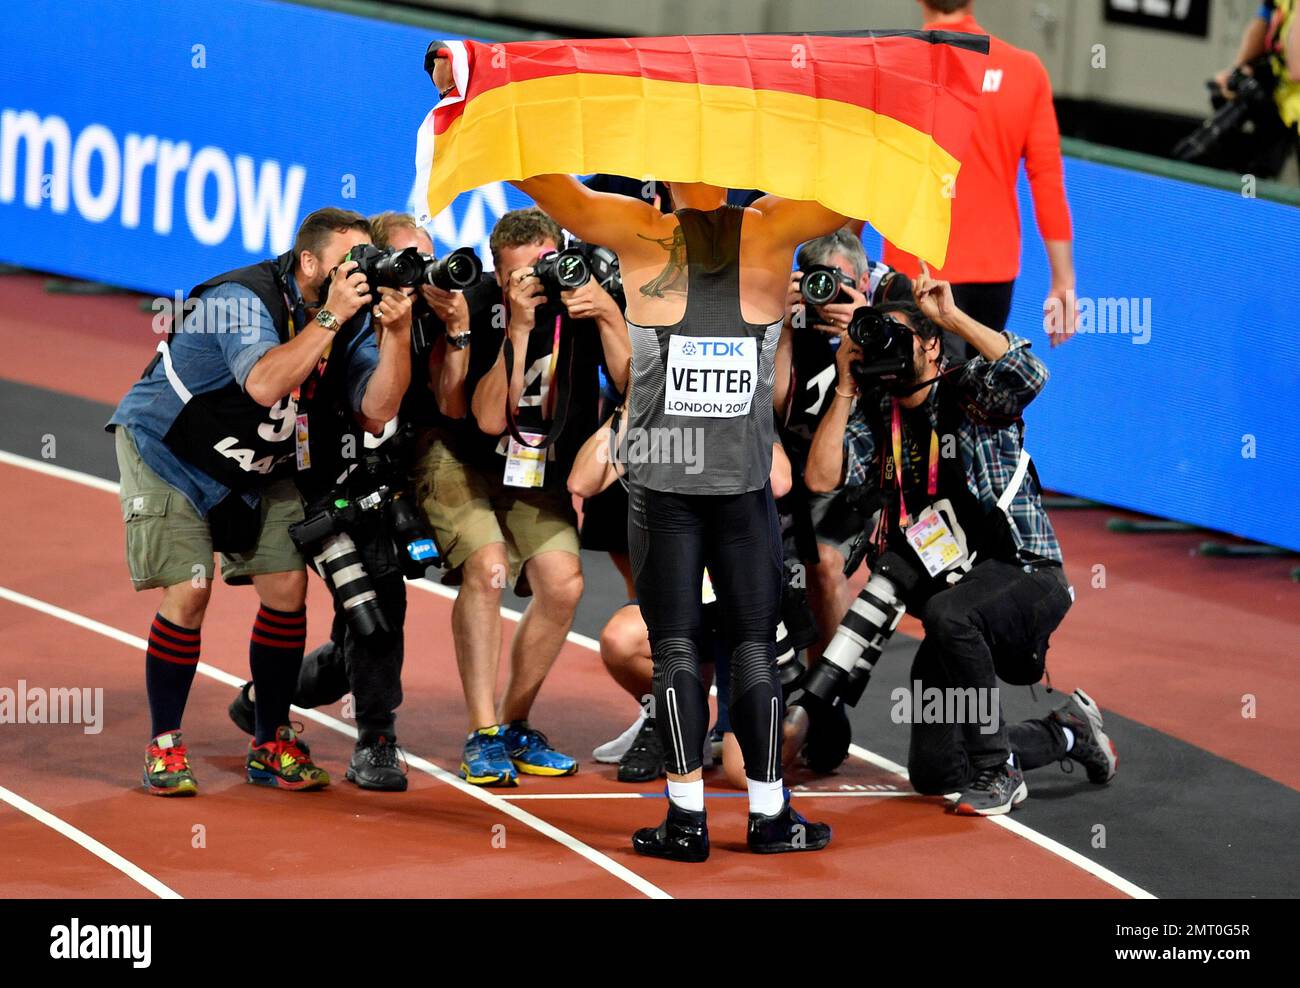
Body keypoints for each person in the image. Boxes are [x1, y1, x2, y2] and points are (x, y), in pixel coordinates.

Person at [504, 163, 847, 860]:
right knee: (753, 647)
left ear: (663, 181)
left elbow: (551, 190)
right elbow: (855, 191)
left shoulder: (640, 232)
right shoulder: (774, 228)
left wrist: (480, 101)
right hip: (744, 486)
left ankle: (686, 822)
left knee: (676, 650)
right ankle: (770, 815)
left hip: (663, 486)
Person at [108, 207, 412, 795]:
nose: (358, 272)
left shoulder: (349, 319)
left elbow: (377, 408)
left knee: (286, 588)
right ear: (308, 262)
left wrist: (395, 334)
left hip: (256, 466)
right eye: (347, 260)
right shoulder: (240, 298)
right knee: (192, 590)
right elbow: (265, 383)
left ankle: (270, 739)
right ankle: (165, 743)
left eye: (363, 260)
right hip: (172, 452)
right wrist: (334, 314)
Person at [803, 266, 1116, 815]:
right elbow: (822, 479)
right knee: (934, 772)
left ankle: (1000, 774)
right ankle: (1067, 732)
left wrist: (952, 317)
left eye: (903, 338)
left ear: (929, 346)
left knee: (950, 614)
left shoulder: (970, 390)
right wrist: (846, 384)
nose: (890, 352)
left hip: (1023, 572)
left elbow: (1029, 371)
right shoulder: (877, 411)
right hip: (956, 595)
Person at [411, 207, 630, 787]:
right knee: (487, 570)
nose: (537, 282)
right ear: (497, 273)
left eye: (545, 267)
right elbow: (484, 420)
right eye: (518, 276)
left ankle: (514, 724)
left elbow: (636, 385)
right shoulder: (481, 301)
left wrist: (606, 312)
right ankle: (482, 735)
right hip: (463, 459)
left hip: (535, 468)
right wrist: (519, 327)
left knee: (563, 583)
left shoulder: (588, 292)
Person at [227, 212, 437, 792]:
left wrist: (403, 332)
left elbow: (379, 407)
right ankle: (376, 738)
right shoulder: (317, 306)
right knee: (369, 607)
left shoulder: (418, 314)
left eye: (421, 261)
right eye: (399, 261)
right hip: (293, 479)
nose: (410, 274)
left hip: (367, 479)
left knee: (372, 619)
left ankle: (267, 697)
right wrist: (346, 315)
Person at [882, 0, 1077, 354]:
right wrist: (1063, 281)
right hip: (991, 277)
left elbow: (864, 166)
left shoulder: (892, 65)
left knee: (908, 397)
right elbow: (1046, 179)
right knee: (972, 397)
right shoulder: (1025, 70)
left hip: (914, 270)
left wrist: (844, 254)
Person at [775, 228, 894, 661]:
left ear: (864, 283)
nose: (829, 295)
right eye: (818, 280)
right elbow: (775, 404)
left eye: (841, 282)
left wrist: (866, 328)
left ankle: (829, 693)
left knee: (823, 565)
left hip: (853, 476)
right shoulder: (790, 322)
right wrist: (783, 327)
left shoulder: (885, 326)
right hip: (791, 465)